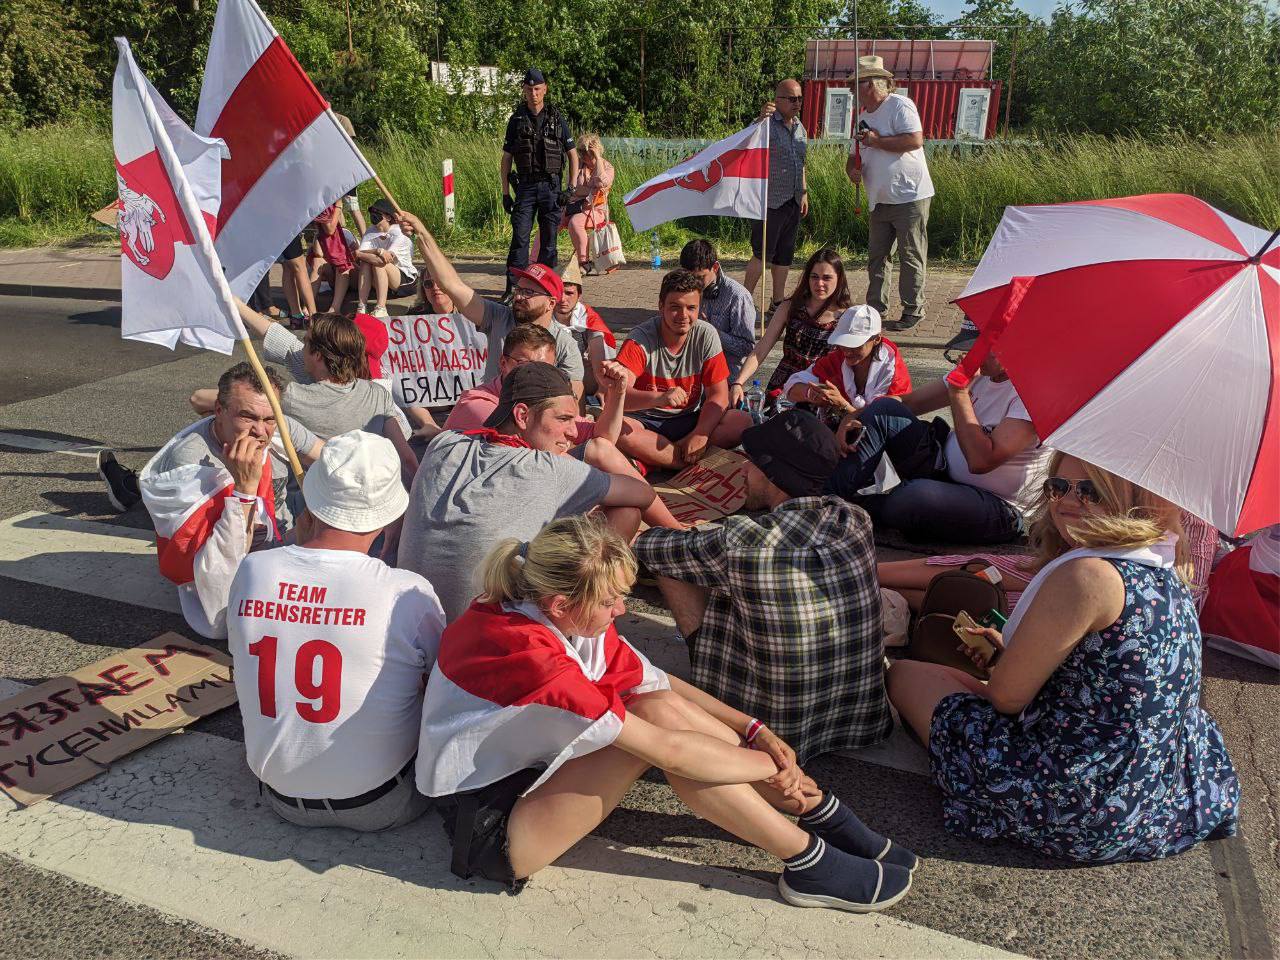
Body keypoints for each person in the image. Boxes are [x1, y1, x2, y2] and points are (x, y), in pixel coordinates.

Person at [416, 514, 916, 910]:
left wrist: (754, 729)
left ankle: (816, 813)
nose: (623, 613)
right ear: (562, 603)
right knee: (659, 736)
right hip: (489, 822)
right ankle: (806, 858)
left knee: (657, 703)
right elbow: (669, 751)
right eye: (612, 601)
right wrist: (776, 765)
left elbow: (655, 680)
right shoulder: (527, 653)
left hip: (527, 770)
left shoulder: (552, 612)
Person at [887, 451, 1239, 863]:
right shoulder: (1165, 566)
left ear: (1132, 501)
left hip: (1076, 804)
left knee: (907, 675)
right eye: (1058, 487)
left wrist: (1005, 665)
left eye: (1091, 491)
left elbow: (1006, 698)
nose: (1067, 501)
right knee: (958, 681)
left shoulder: (1086, 574)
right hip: (1144, 790)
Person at [635, 410, 893, 763]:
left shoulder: (742, 540)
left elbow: (652, 549)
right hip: (858, 720)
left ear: (772, 472)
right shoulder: (853, 518)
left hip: (773, 728)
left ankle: (714, 691)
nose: (742, 469)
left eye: (750, 462)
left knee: (675, 565)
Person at [227, 431, 446, 832]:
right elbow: (438, 682)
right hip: (383, 802)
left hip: (278, 794)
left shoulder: (253, 570)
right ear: (389, 513)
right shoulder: (407, 592)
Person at [397, 362, 659, 621]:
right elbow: (642, 493)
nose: (573, 431)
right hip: (490, 632)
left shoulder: (444, 442)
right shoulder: (547, 468)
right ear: (522, 415)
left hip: (411, 623)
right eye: (564, 419)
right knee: (626, 511)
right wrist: (577, 479)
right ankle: (584, 614)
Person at [137, 363, 323, 639]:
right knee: (231, 626)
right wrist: (245, 490)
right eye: (247, 417)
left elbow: (331, 463)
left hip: (285, 542)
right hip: (234, 562)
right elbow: (217, 570)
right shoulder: (190, 462)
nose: (261, 431)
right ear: (219, 412)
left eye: (270, 419)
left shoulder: (281, 428)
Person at [829, 320, 1048, 544]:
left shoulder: (1033, 393)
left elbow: (981, 461)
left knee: (914, 497)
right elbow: (911, 402)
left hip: (997, 506)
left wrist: (959, 394)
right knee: (883, 409)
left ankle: (849, 510)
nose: (970, 356)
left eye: (978, 349)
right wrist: (854, 415)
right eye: (968, 348)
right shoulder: (981, 371)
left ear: (1008, 347)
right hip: (944, 468)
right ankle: (828, 499)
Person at [191, 308, 418, 482]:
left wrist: (238, 405)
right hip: (372, 489)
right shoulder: (378, 393)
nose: (301, 346)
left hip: (314, 494)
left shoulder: (291, 397)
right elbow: (407, 457)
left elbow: (199, 398)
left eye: (306, 342)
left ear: (317, 355)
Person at [395, 210, 585, 396]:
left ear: (551, 303)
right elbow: (451, 284)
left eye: (528, 292)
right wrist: (421, 232)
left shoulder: (565, 344)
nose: (518, 297)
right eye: (518, 290)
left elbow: (574, 398)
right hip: (491, 408)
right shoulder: (498, 317)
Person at [615, 269, 753, 469]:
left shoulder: (706, 334)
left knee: (741, 421)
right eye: (675, 307)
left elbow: (718, 396)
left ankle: (654, 461)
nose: (683, 316)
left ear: (699, 308)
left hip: (688, 419)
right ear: (660, 306)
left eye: (691, 308)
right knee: (618, 430)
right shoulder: (639, 338)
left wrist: (700, 434)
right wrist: (659, 398)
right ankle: (682, 460)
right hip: (645, 420)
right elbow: (619, 395)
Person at [844, 56, 934, 333]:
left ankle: (912, 308)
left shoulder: (900, 105)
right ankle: (876, 308)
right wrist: (852, 171)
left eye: (855, 84)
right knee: (878, 256)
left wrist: (876, 141)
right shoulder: (861, 116)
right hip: (878, 198)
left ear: (870, 84)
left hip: (909, 195)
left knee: (910, 255)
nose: (850, 89)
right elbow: (853, 156)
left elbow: (914, 139)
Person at [732, 249, 852, 405]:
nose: (819, 283)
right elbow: (761, 350)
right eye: (814, 277)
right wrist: (738, 382)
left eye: (827, 278)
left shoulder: (848, 316)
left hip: (820, 390)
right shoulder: (790, 306)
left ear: (840, 279)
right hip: (783, 387)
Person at [501, 68, 578, 292]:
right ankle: (514, 290)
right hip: (525, 187)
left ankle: (545, 289)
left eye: (537, 89)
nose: (533, 93)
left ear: (544, 89)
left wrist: (570, 188)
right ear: (524, 91)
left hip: (551, 188)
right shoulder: (516, 120)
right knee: (520, 240)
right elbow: (506, 159)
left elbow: (572, 154)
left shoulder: (556, 118)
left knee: (549, 242)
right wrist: (506, 193)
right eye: (528, 89)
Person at [781, 304, 911, 428]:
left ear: (876, 339)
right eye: (844, 343)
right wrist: (812, 394)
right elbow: (792, 385)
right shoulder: (837, 358)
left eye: (855, 345)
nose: (847, 351)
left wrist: (842, 405)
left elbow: (881, 426)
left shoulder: (895, 377)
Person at [745, 79, 809, 309]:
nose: (797, 103)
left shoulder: (800, 127)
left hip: (792, 199)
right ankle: (744, 300)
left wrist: (803, 192)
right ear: (778, 100)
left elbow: (801, 162)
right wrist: (760, 118)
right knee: (763, 254)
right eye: (792, 99)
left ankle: (777, 300)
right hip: (769, 201)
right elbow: (746, 140)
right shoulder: (766, 125)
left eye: (800, 98)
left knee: (785, 254)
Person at [679, 239, 757, 380]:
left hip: (725, 376)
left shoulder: (738, 296)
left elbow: (746, 348)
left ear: (715, 267)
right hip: (691, 371)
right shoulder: (686, 288)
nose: (694, 283)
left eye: (700, 277)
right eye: (690, 277)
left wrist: (711, 331)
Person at [555, 259, 616, 396]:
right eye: (558, 293)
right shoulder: (544, 313)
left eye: (569, 293)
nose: (563, 299)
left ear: (579, 296)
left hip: (583, 376)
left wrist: (602, 388)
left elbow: (598, 352)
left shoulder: (587, 317)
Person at [355, 198, 418, 318]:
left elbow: (384, 259)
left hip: (404, 279)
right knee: (365, 263)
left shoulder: (399, 232)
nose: (373, 216)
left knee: (377, 263)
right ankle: (361, 306)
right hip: (383, 280)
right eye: (372, 213)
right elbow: (360, 254)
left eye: (377, 213)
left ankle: (381, 308)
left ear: (388, 217)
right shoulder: (370, 231)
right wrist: (377, 251)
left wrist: (361, 254)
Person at [563, 132, 614, 273]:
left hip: (596, 209)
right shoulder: (577, 164)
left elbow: (602, 183)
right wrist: (590, 191)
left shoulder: (607, 167)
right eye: (582, 153)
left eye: (588, 153)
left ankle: (584, 262)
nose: (585, 157)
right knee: (550, 219)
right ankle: (536, 259)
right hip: (574, 205)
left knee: (575, 222)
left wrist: (597, 159)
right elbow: (572, 188)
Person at [311, 202, 357, 313]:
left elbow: (357, 255)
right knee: (318, 261)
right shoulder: (321, 235)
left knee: (342, 263)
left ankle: (335, 308)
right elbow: (319, 254)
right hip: (334, 277)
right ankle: (309, 306)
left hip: (351, 276)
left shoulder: (346, 233)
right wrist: (318, 235)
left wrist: (338, 207)